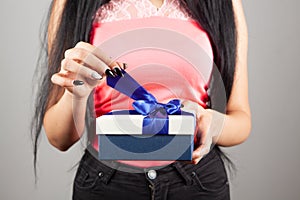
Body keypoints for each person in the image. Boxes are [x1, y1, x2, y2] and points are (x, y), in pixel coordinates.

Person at [31, 0, 251, 199]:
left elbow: (241, 120)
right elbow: (59, 137)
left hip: (197, 183)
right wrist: (76, 92)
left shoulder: (224, 3)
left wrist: (211, 123)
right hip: (107, 184)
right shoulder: (70, 3)